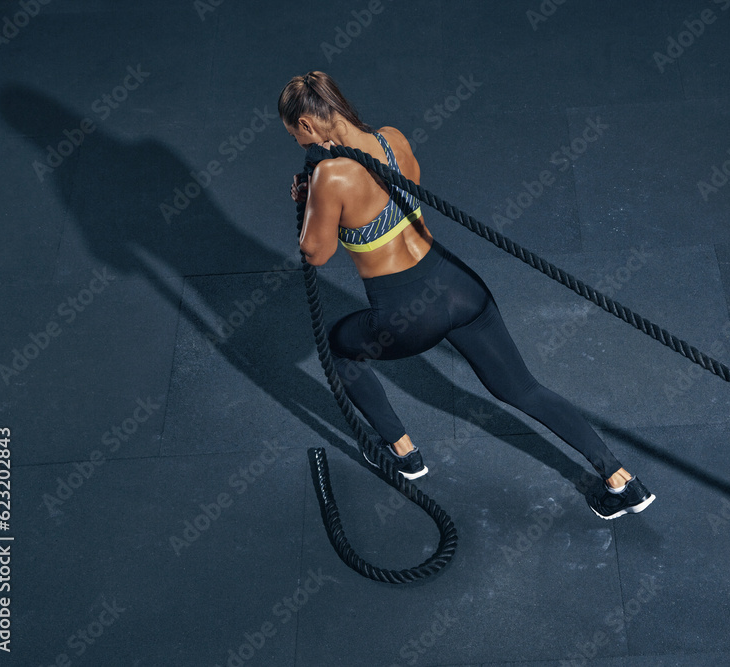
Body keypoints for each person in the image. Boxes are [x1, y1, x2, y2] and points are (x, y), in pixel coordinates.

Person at [279, 71, 653, 520]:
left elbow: (315, 253)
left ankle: (403, 453)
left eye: (295, 136)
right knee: (524, 389)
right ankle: (621, 480)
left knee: (340, 348)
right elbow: (385, 196)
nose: (299, 144)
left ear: (307, 125)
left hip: (406, 313)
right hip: (460, 286)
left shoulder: (328, 175)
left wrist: (306, 204)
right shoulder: (391, 139)